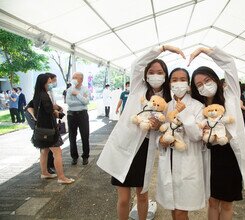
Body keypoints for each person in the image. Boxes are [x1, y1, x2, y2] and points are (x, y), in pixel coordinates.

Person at [97, 45, 184, 220]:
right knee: (123, 197)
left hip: (145, 149)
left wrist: (157, 126)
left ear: (165, 76)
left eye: (160, 72)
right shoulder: (138, 87)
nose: (155, 75)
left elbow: (166, 129)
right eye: (151, 71)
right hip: (124, 145)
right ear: (145, 74)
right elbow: (137, 64)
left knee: (142, 195)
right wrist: (163, 48)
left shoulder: (169, 101)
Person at [189, 47, 245, 220]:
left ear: (216, 80)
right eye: (199, 84)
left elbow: (229, 64)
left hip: (230, 155)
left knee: (226, 202)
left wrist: (205, 50)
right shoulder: (198, 106)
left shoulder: (230, 95)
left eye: (207, 80)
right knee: (212, 200)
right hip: (210, 155)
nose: (204, 86)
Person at [157, 68, 205, 219]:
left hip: (187, 163)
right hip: (169, 162)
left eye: (182, 79)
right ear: (169, 83)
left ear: (189, 84)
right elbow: (162, 132)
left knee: (181, 211)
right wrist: (161, 141)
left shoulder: (198, 106)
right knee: (173, 207)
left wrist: (184, 112)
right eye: (174, 79)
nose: (178, 83)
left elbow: (196, 136)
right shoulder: (166, 106)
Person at [30, 73, 74, 184]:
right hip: (49, 129)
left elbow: (31, 107)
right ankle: (62, 177)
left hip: (41, 128)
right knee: (57, 152)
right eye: (49, 82)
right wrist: (59, 113)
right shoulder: (44, 95)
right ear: (43, 83)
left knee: (44, 151)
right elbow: (50, 111)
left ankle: (44, 173)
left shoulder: (37, 94)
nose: (51, 84)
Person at [66, 72, 90, 166]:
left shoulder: (85, 89)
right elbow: (69, 102)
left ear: (81, 79)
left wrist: (77, 94)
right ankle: (74, 157)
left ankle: (85, 156)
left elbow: (86, 102)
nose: (73, 79)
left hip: (82, 115)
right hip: (71, 115)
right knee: (72, 137)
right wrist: (81, 100)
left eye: (75, 77)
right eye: (73, 77)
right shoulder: (69, 90)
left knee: (85, 136)